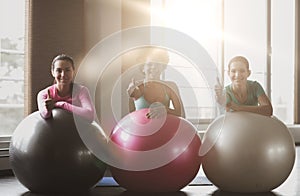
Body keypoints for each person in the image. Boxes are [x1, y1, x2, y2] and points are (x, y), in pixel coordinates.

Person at [127, 48, 185, 119]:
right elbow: (130, 118)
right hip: (143, 129)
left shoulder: (171, 86)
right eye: (149, 64)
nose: (154, 67)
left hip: (166, 129)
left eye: (158, 64)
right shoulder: (137, 86)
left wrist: (166, 110)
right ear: (143, 68)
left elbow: (182, 115)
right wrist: (132, 96)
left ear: (163, 67)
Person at [37, 54, 95, 122]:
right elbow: (45, 115)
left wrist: (61, 104)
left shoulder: (81, 91)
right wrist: (48, 109)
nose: (63, 75)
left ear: (73, 71)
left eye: (67, 70)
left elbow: (90, 114)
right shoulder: (44, 94)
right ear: (53, 72)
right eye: (59, 71)